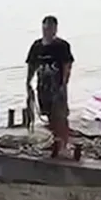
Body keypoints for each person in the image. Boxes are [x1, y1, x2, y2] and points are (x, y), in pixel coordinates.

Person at [26, 15, 75, 158]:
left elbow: (67, 65)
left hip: (57, 85)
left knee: (61, 115)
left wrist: (64, 83)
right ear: (42, 27)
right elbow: (31, 65)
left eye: (51, 28)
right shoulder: (37, 46)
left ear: (55, 29)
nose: (48, 30)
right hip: (43, 86)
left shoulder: (62, 46)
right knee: (48, 114)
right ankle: (56, 140)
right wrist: (28, 82)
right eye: (45, 27)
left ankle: (64, 144)